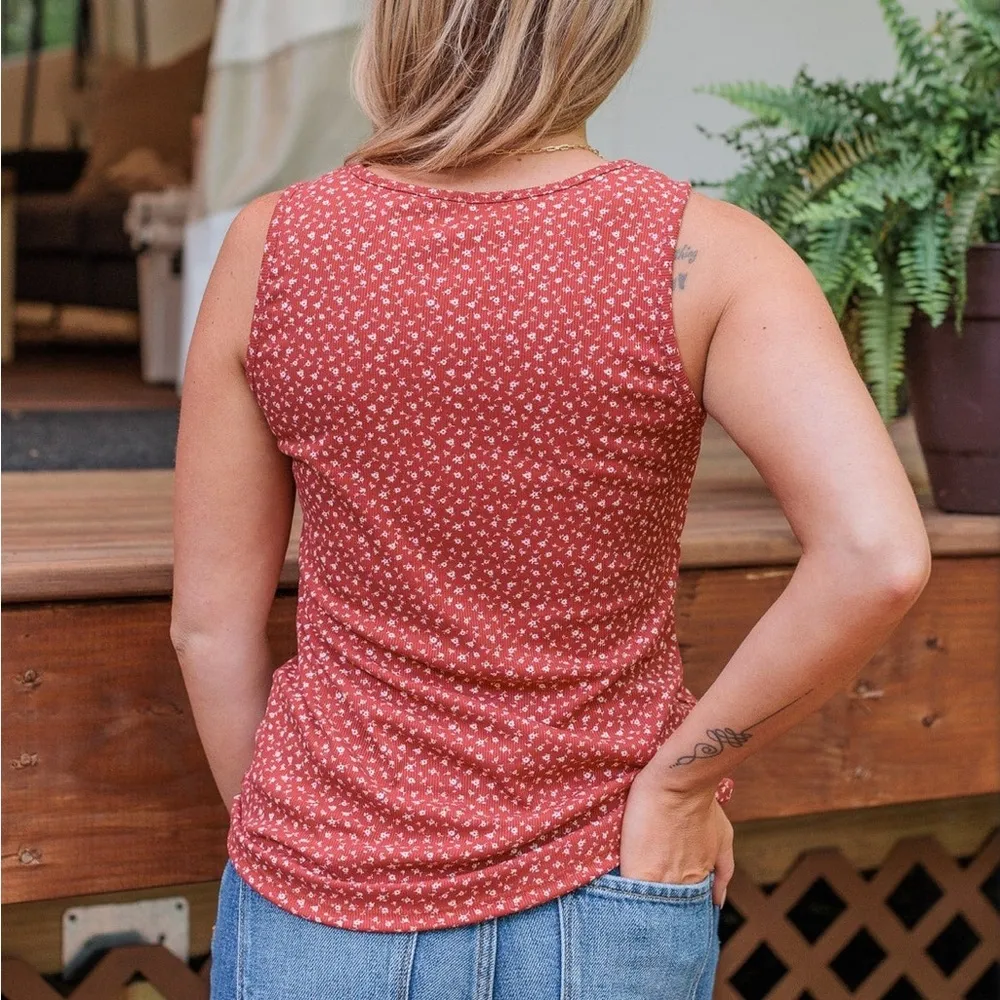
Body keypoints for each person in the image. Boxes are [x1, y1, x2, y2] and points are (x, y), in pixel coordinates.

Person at [170, 1, 932, 996]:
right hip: (607, 871)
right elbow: (875, 555)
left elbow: (209, 628)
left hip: (320, 892)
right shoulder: (706, 254)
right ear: (608, 31)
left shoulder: (273, 246)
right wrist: (682, 782)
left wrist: (295, 836)